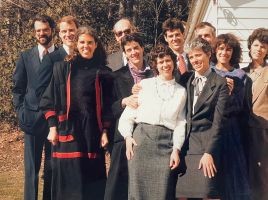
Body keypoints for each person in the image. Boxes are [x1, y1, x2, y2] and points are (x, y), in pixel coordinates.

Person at [39, 26, 112, 200]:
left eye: (90, 42)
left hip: (93, 134)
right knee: (68, 184)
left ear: (96, 45)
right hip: (67, 131)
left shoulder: (104, 72)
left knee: (92, 186)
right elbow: (48, 100)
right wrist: (52, 128)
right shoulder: (62, 68)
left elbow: (108, 105)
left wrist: (105, 131)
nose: (85, 46)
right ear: (76, 44)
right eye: (82, 42)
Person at [118, 43, 186, 200]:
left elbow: (180, 123)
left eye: (168, 60)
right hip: (141, 144)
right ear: (155, 65)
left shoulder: (181, 92)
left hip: (166, 146)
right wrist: (128, 137)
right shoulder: (144, 85)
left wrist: (176, 149)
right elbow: (127, 116)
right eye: (160, 62)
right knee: (138, 193)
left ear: (173, 62)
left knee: (161, 194)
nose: (165, 65)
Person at [176, 37, 230, 200]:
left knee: (208, 194)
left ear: (208, 54)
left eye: (198, 55)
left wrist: (209, 152)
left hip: (206, 147)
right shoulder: (186, 80)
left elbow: (219, 123)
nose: (195, 60)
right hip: (187, 148)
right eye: (191, 57)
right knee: (182, 195)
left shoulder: (220, 83)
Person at [104, 33, 154, 200]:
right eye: (129, 50)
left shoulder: (155, 73)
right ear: (124, 53)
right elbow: (107, 109)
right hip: (122, 137)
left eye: (136, 48)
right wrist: (124, 101)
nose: (133, 52)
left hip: (149, 135)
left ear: (142, 48)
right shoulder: (116, 76)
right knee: (118, 188)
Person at [12, 14, 56, 200]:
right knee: (31, 169)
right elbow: (17, 87)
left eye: (45, 29)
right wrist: (21, 111)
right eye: (38, 30)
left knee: (52, 167)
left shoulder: (62, 55)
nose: (42, 33)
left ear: (52, 30)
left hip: (55, 121)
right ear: (34, 33)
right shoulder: (25, 56)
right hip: (30, 119)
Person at [241, 28, 268, 200]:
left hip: (266, 135)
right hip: (245, 133)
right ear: (250, 46)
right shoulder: (241, 72)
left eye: (263, 46)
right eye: (256, 45)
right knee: (249, 178)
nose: (258, 49)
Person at [210, 33, 251, 200]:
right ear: (214, 50)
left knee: (232, 178)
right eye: (220, 48)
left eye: (228, 49)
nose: (224, 52)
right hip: (211, 127)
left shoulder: (240, 76)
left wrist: (231, 92)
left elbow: (241, 106)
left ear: (233, 52)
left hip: (231, 131)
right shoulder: (209, 71)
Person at [36, 15, 79, 99]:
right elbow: (41, 91)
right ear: (59, 34)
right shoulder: (51, 59)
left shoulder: (85, 56)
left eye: (71, 30)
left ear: (78, 31)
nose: (68, 34)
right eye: (64, 31)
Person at [162, 18, 194, 82]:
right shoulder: (162, 60)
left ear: (183, 35)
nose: (175, 39)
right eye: (171, 36)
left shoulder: (193, 57)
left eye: (177, 35)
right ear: (165, 38)